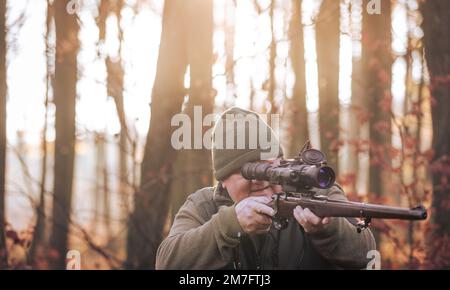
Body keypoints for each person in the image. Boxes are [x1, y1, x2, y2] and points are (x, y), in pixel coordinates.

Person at [156, 107, 376, 269]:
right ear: (223, 179)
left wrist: (326, 230)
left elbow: (368, 257)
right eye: (251, 171)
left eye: (271, 168)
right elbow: (166, 263)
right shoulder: (203, 206)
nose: (263, 182)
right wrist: (229, 225)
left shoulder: (316, 192)